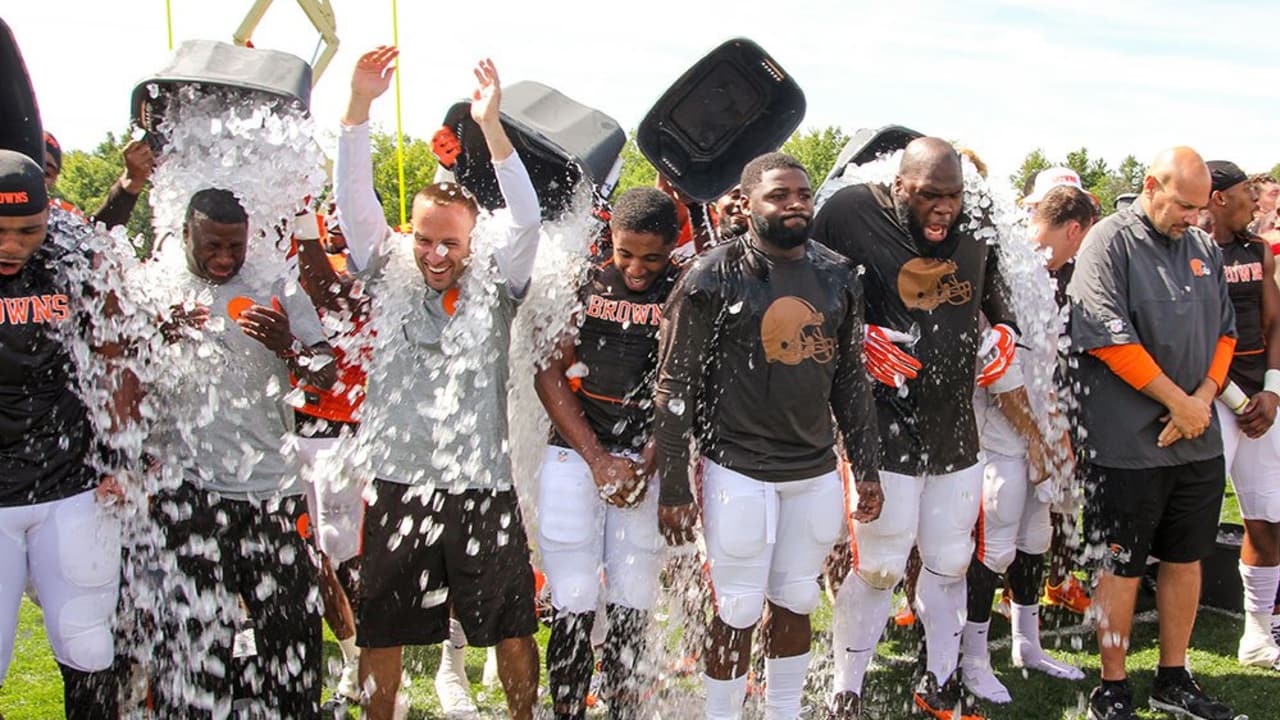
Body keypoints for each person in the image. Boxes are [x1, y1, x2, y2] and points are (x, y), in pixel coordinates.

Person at [334, 46, 542, 720]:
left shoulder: (498, 279)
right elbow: (353, 202)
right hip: (399, 480)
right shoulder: (388, 268)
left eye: (450, 242)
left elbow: (530, 218)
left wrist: (491, 128)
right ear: (410, 233)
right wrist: (360, 106)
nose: (436, 254)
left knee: (512, 626)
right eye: (425, 239)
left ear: (474, 240)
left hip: (482, 482)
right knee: (382, 629)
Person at [653, 151, 882, 720]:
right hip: (738, 467)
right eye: (779, 195)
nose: (795, 204)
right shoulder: (711, 274)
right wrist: (677, 487)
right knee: (736, 606)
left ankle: (784, 712)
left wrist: (868, 468)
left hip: (813, 470)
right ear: (748, 203)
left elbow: (850, 381)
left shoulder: (838, 275)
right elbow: (673, 387)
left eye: (802, 194)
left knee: (799, 598)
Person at [813, 137, 1019, 720]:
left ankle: (940, 678)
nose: (943, 210)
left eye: (951, 197)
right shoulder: (851, 211)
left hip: (955, 426)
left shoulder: (977, 220)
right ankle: (846, 686)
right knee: (878, 564)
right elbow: (803, 295)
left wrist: (1004, 335)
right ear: (901, 186)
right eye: (929, 196)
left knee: (952, 559)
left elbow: (999, 303)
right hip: (883, 425)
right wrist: (854, 340)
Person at [148, 187, 336, 718]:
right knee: (192, 644)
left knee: (291, 639)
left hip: (272, 491)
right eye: (213, 246)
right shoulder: (158, 286)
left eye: (236, 246)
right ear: (186, 234)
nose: (226, 259)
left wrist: (290, 346)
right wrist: (154, 338)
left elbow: (326, 375)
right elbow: (125, 373)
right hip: (189, 492)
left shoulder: (276, 285)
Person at [1068, 147, 1239, 720]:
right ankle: (1111, 685)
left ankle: (1173, 676)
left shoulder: (1203, 249)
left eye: (1199, 208)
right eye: (1183, 205)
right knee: (1120, 564)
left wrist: (1204, 401)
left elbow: (1225, 334)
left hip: (1196, 438)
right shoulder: (1108, 242)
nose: (1193, 217)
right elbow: (1109, 337)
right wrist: (1178, 403)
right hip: (1127, 444)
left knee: (1186, 558)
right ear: (1150, 186)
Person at [534, 186, 680, 720]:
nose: (637, 268)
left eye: (652, 256)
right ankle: (567, 710)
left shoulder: (685, 287)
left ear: (673, 246)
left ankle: (624, 710)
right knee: (572, 597)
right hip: (576, 455)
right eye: (625, 253)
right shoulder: (582, 282)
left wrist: (650, 457)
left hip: (645, 458)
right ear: (609, 240)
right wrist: (598, 459)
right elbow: (548, 373)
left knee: (632, 599)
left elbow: (688, 381)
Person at [0, 149, 134, 719]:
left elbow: (115, 358)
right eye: (0, 231)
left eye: (27, 231)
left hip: (69, 483)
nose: (12, 245)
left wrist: (124, 453)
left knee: (88, 645)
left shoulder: (72, 256)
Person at [960, 185, 1095, 703]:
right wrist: (1039, 438)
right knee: (994, 546)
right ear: (1072, 229)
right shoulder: (1011, 272)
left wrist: (1056, 427)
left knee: (1035, 539)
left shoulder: (1047, 274)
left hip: (1037, 431)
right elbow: (1002, 370)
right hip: (1000, 436)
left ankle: (1026, 645)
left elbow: (1048, 370)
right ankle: (973, 659)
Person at [1201, 161, 1280, 670]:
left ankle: (1257, 634)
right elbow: (1191, 337)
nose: (1259, 202)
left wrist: (1271, 391)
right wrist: (1234, 399)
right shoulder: (1190, 251)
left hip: (1262, 401)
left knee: (1268, 515)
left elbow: (1275, 321)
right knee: (1192, 522)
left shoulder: (1258, 250)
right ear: (1219, 199)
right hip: (1212, 398)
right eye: (1247, 193)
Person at [291, 205, 369, 705]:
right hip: (290, 425)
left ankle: (365, 659)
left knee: (347, 560)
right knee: (307, 558)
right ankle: (347, 656)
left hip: (342, 430)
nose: (340, 221)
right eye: (331, 212)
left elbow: (328, 293)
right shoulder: (287, 256)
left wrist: (303, 228)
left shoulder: (377, 263)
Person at [43, 131, 155, 230]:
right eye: (26, 166)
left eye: (45, 173)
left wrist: (132, 179)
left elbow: (96, 238)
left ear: (54, 179)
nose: (32, 177)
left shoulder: (61, 219)